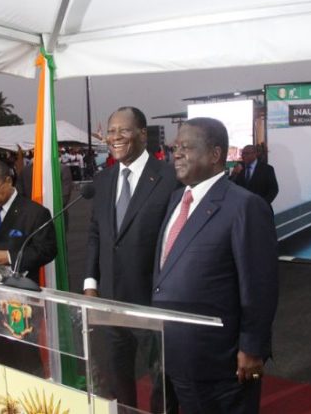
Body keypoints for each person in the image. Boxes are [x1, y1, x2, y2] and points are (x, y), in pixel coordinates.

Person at [152, 117, 278, 414]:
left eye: (186, 147)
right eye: (174, 147)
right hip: (170, 351)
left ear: (215, 154)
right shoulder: (175, 200)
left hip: (219, 361)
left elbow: (259, 285)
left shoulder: (245, 206)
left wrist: (252, 347)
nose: (176, 154)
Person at [84, 106, 179, 410]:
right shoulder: (103, 179)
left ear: (141, 133)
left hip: (154, 300)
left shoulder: (169, 176)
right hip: (111, 300)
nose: (115, 137)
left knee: (163, 379)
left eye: (123, 130)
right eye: (111, 131)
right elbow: (96, 233)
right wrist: (90, 282)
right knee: (118, 377)